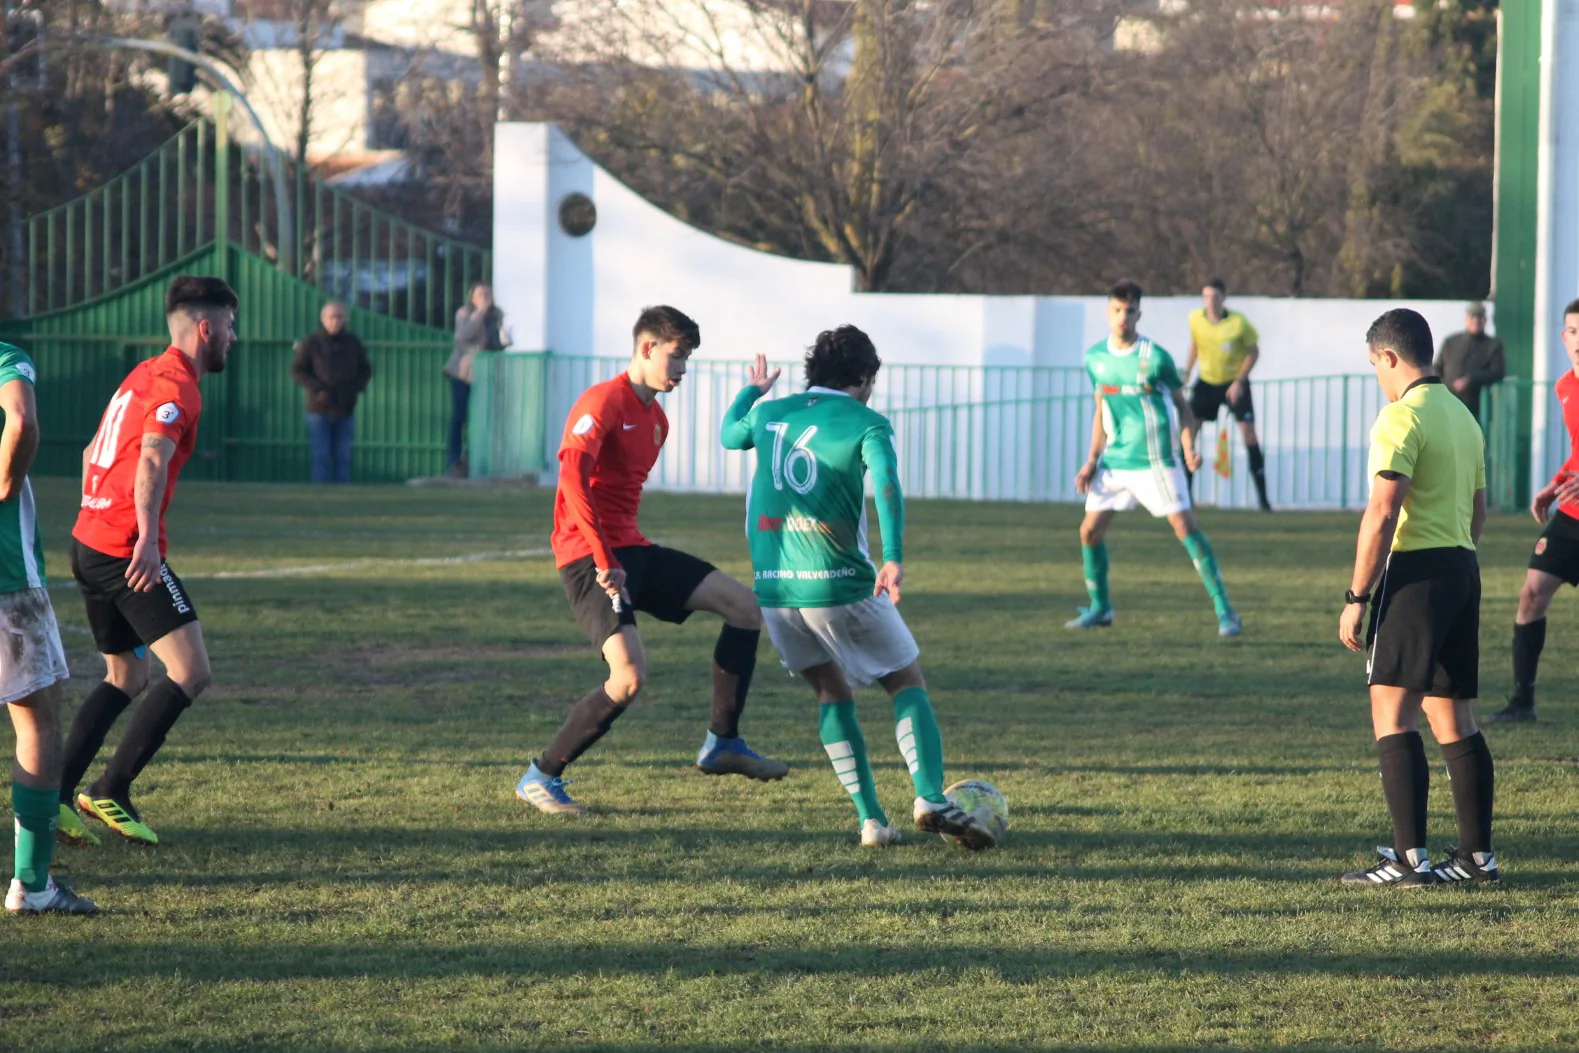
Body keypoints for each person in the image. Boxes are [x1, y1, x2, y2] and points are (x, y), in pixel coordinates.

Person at [720, 332, 995, 850]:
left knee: (830, 692)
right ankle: (930, 796)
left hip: (776, 590)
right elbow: (887, 483)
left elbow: (730, 435)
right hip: (840, 582)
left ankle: (872, 821)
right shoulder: (867, 422)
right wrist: (892, 557)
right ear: (864, 378)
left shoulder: (770, 412)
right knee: (906, 682)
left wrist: (752, 392)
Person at [514, 305, 788, 815]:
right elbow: (572, 482)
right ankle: (541, 776)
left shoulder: (656, 419)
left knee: (745, 608)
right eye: (677, 356)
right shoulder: (602, 402)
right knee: (628, 678)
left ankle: (722, 743)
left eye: (687, 359)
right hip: (587, 557)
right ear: (646, 348)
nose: (682, 369)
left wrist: (751, 395)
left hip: (631, 550)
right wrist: (602, 558)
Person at [56, 275, 235, 847]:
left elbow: (91, 451)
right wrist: (146, 543)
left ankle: (55, 796)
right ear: (205, 328)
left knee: (126, 675)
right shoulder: (177, 387)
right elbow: (151, 461)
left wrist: (97, 511)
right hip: (122, 553)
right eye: (230, 326)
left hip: (87, 541)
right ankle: (110, 789)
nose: (234, 337)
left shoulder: (143, 373)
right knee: (191, 671)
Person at [1338, 308, 1497, 887]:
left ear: (1388, 357)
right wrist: (1454, 561)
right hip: (1462, 567)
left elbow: (1382, 512)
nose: (1378, 376)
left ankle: (1409, 860)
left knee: (1391, 710)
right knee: (1453, 715)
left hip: (1417, 573)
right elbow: (1480, 511)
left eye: (1375, 365)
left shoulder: (1400, 417)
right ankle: (1478, 860)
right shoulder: (1462, 416)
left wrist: (1358, 595)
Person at [1068, 280, 1241, 637]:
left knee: (1185, 529)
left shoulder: (1156, 358)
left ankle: (1226, 611)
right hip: (1115, 462)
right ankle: (1100, 608)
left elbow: (1182, 407)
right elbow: (1100, 411)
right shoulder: (1095, 359)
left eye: (1129, 311)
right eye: (1116, 310)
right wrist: (1091, 459)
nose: (1122, 317)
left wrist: (1189, 447)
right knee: (1089, 532)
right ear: (1107, 312)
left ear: (1139, 314)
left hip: (1156, 461)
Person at [0, 342, 96, 914]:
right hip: (8, 575)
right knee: (37, 720)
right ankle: (32, 885)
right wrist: (4, 484)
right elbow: (23, 418)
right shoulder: (4, 357)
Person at [1487, 298, 1579, 725]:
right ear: (1563, 338)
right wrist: (1555, 484)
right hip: (1572, 515)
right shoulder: (1565, 387)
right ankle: (1523, 702)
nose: (1578, 341)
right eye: (1573, 332)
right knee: (1531, 594)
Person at [1183, 278, 1271, 511]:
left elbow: (1253, 351)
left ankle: (1263, 500)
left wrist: (1239, 381)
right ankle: (1184, 499)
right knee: (1188, 435)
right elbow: (1195, 344)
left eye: (1215, 297)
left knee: (1250, 437)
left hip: (1234, 383)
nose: (1210, 302)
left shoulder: (1238, 323)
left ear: (1224, 298)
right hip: (1207, 382)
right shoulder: (1195, 319)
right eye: (1206, 297)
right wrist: (1187, 373)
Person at [292, 299, 372, 484]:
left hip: (346, 407)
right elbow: (298, 371)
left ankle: (342, 492)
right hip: (319, 408)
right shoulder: (311, 342)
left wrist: (355, 387)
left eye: (339, 317)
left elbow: (365, 370)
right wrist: (318, 388)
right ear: (323, 319)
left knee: (343, 455)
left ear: (345, 319)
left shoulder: (353, 342)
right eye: (331, 317)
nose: (335, 321)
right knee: (321, 454)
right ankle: (321, 493)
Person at [444, 282, 508, 477]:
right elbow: (463, 336)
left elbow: (494, 343)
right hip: (463, 373)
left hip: (486, 374)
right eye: (480, 295)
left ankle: (480, 459)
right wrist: (479, 312)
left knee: (485, 419)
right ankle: (454, 460)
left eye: (487, 294)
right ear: (472, 297)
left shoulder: (496, 315)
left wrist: (505, 340)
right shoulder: (464, 313)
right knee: (460, 416)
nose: (484, 298)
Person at [1433, 302, 1505, 422]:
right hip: (1448, 405)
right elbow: (1437, 368)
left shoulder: (1493, 345)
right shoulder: (1451, 342)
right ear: (1466, 319)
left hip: (1475, 410)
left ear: (1485, 320)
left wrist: (1470, 379)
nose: (1476, 321)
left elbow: (1497, 372)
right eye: (1473, 317)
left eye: (1480, 317)